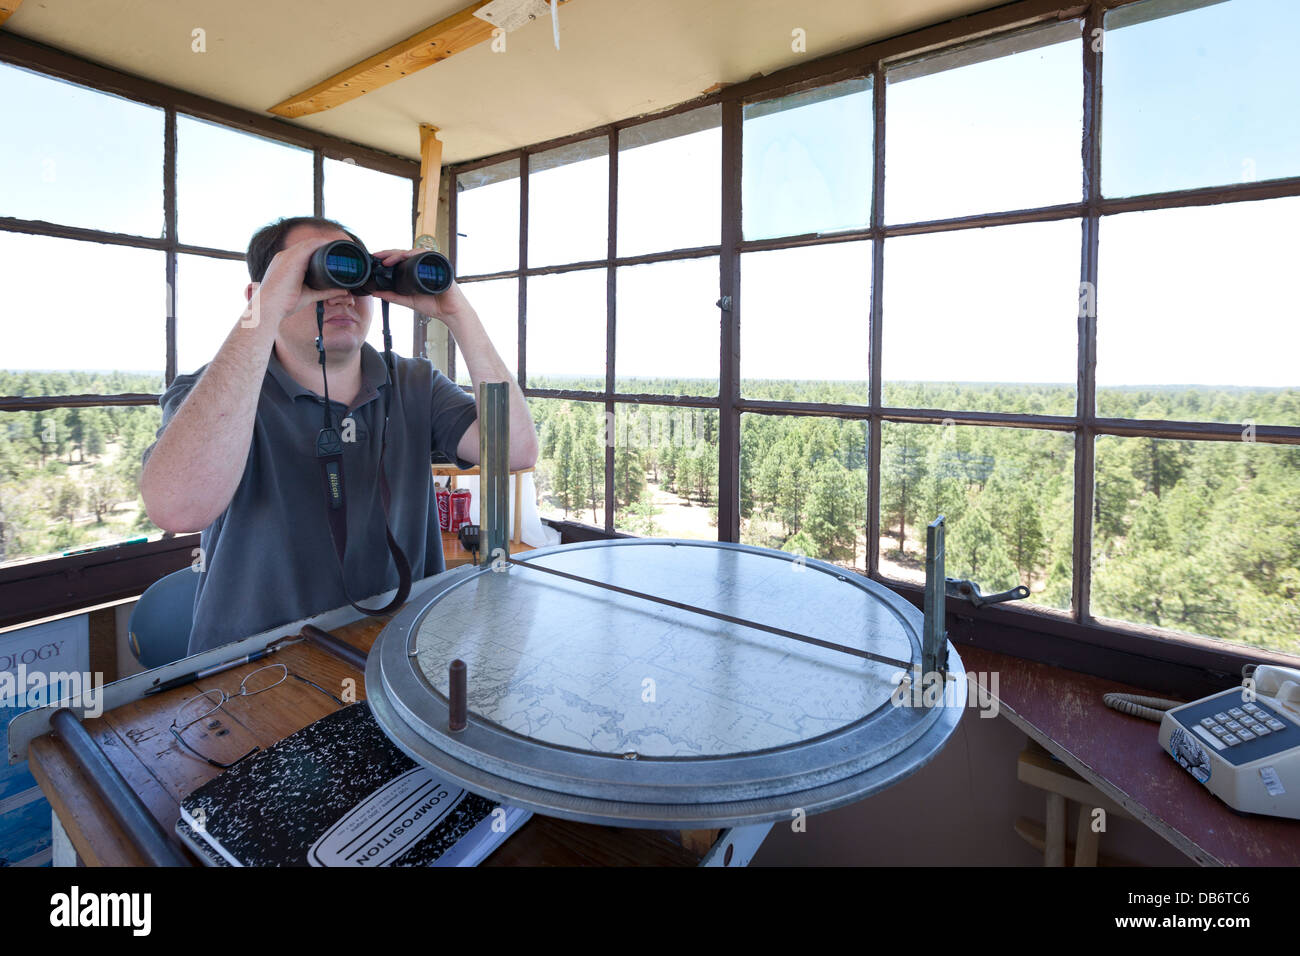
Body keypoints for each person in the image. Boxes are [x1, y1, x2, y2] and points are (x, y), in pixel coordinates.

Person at [140, 216, 537, 655]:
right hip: (255, 669)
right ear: (260, 295)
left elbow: (513, 451)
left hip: (399, 650)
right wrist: (263, 313)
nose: (341, 295)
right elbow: (178, 508)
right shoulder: (217, 393)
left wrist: (457, 313)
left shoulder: (414, 382)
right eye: (313, 274)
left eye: (354, 275)